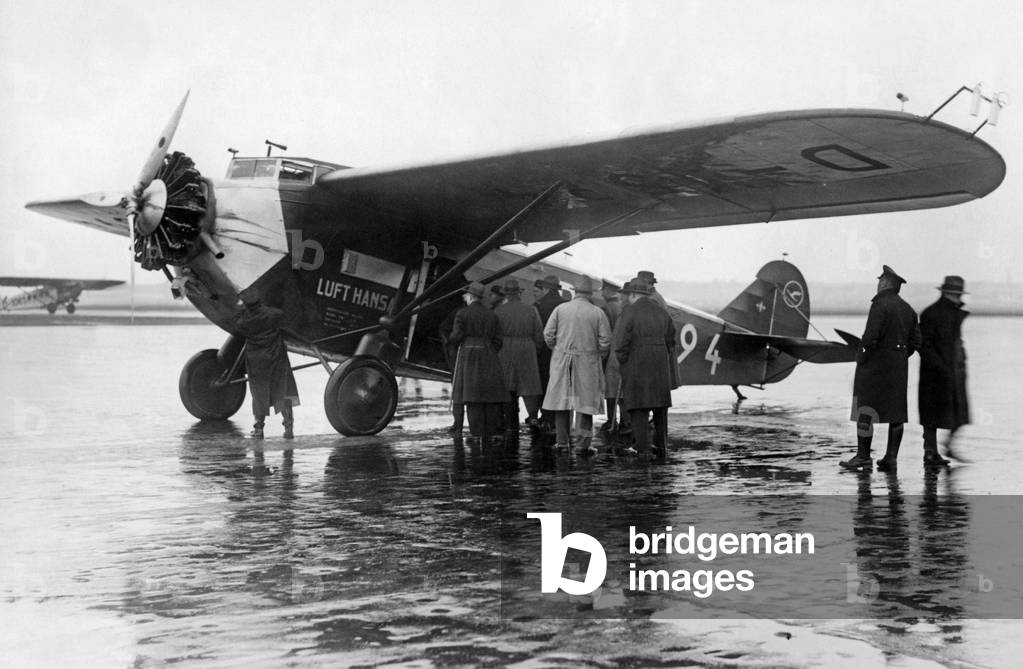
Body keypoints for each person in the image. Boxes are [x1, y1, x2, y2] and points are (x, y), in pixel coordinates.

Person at [842, 265, 922, 471]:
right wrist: (899, 357)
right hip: (898, 370)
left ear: (885, 283)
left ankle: (863, 457)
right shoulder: (909, 309)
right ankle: (891, 459)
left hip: (874, 369)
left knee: (865, 410)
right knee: (896, 414)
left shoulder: (879, 305)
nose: (878, 284)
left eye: (880, 281)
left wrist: (863, 358)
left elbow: (870, 337)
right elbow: (916, 342)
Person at [541, 275, 611, 453]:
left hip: (562, 360)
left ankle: (562, 442)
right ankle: (582, 444)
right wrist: (597, 356)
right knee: (585, 404)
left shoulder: (560, 309)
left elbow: (548, 334)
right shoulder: (597, 312)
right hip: (587, 361)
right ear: (590, 293)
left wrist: (558, 350)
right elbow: (605, 341)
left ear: (575, 292)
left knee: (562, 402)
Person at [614, 277, 675, 457]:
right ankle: (662, 448)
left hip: (636, 366)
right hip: (660, 367)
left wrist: (623, 362)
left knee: (639, 410)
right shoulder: (662, 312)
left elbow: (620, 344)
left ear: (633, 294)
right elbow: (671, 340)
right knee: (660, 411)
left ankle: (642, 451)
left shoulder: (628, 313)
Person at [918, 275, 971, 466]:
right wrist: (940, 366)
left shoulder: (944, 312)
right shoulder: (933, 313)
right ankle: (931, 452)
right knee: (933, 414)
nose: (959, 299)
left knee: (956, 412)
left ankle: (939, 449)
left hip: (950, 371)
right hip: (937, 373)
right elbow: (924, 345)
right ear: (951, 293)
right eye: (957, 294)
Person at [233, 295, 300, 439]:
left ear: (247, 305)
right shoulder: (272, 314)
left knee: (258, 394)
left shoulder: (244, 320)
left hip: (257, 360)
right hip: (276, 356)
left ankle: (259, 430)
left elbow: (236, 324)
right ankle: (289, 429)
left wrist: (240, 308)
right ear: (259, 302)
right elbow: (282, 313)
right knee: (283, 389)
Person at [449, 281, 508, 443]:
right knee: (487, 392)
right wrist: (487, 349)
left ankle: (476, 433)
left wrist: (452, 341)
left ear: (469, 296)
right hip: (488, 353)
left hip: (468, 353)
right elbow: (498, 341)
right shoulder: (492, 314)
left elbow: (456, 336)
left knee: (471, 393)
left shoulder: (462, 313)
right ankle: (490, 432)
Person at [494, 278, 545, 430]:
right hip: (527, 348)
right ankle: (533, 417)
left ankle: (510, 420)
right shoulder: (531, 310)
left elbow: (495, 335)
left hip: (506, 348)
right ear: (519, 293)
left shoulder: (499, 311)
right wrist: (534, 349)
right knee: (529, 386)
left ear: (506, 294)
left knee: (508, 384)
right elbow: (538, 334)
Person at [533, 274, 567, 430]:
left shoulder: (539, 306)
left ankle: (545, 417)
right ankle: (557, 419)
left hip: (544, 351)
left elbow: (539, 331)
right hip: (562, 351)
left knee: (544, 383)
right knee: (559, 384)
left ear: (546, 289)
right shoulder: (566, 306)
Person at [600, 282, 630, 434]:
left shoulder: (606, 308)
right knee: (622, 389)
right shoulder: (622, 308)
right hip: (622, 354)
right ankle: (625, 420)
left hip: (613, 353)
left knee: (611, 389)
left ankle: (613, 420)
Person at [438, 302, 466, 436]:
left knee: (457, 388)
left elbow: (445, 329)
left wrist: (449, 342)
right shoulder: (483, 312)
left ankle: (458, 425)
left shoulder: (459, 312)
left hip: (458, 351)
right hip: (464, 351)